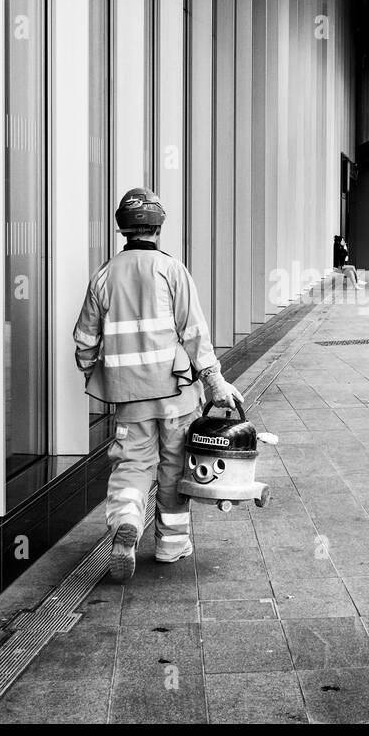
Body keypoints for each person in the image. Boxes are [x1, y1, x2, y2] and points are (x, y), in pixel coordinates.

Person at [73, 188, 243, 582]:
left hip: (129, 397)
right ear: (157, 227)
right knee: (173, 468)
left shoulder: (104, 276)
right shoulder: (172, 270)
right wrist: (215, 381)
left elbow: (84, 340)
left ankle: (128, 522)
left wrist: (92, 373)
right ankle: (170, 545)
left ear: (123, 228)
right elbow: (194, 333)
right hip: (177, 396)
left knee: (131, 464)